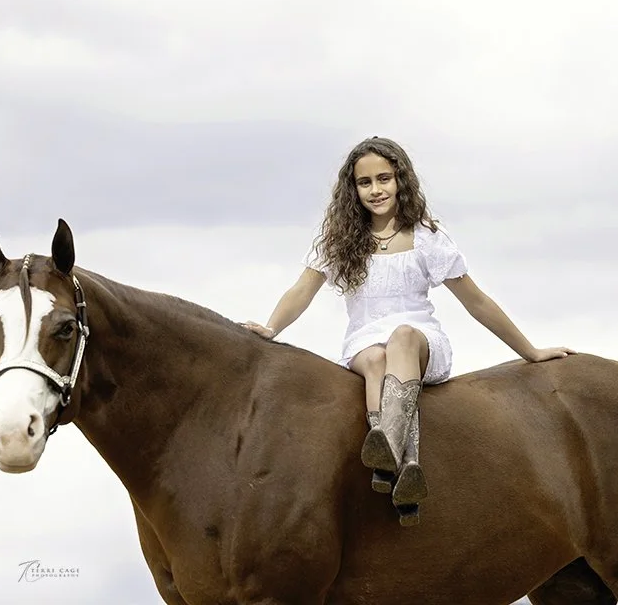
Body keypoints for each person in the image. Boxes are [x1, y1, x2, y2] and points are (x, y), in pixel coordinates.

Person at [242, 136, 575, 525]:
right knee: (375, 357)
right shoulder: (339, 240)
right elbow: (302, 289)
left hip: (420, 342)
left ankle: (390, 452)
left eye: (384, 178)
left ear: (400, 179)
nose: (375, 189)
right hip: (364, 346)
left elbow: (476, 300)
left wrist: (530, 351)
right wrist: (271, 326)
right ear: (353, 190)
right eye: (364, 183)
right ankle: (406, 469)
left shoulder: (426, 237)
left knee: (399, 337)